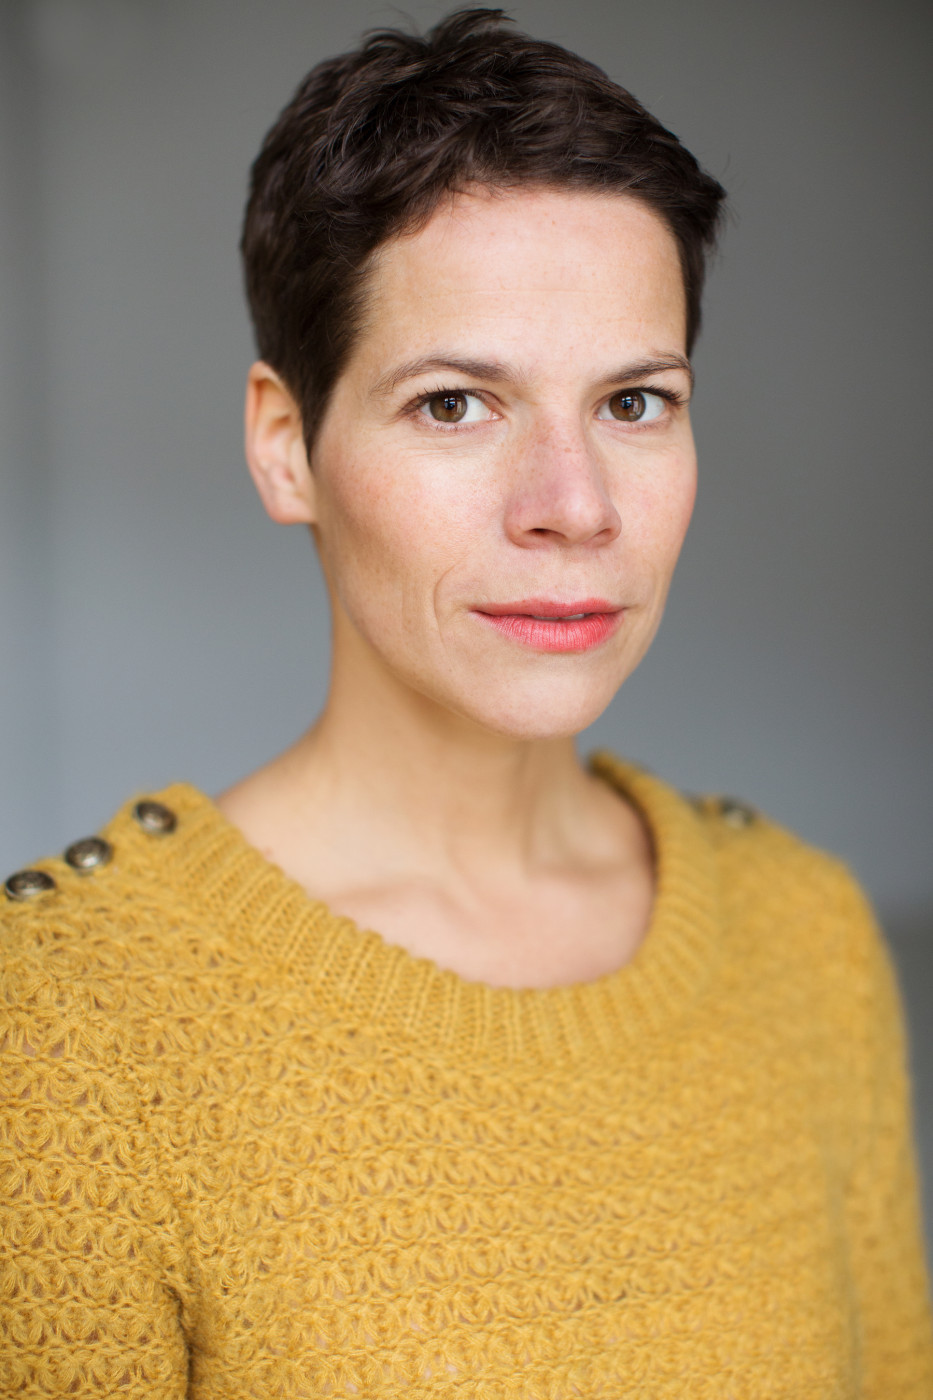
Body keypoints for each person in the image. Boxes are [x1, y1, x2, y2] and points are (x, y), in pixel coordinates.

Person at [1, 7, 931, 1395]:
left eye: (633, 402)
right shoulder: (70, 1023)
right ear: (286, 447)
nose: (574, 506)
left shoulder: (806, 938)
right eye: (455, 404)